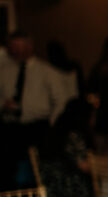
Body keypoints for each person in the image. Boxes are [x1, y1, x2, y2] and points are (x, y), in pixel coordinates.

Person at [0, 30, 75, 188]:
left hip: (37, 128)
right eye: (14, 47)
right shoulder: (4, 70)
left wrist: (53, 123)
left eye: (21, 46)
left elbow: (62, 99)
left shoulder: (46, 71)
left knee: (36, 172)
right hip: (10, 127)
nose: (17, 51)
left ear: (30, 46)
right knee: (9, 174)